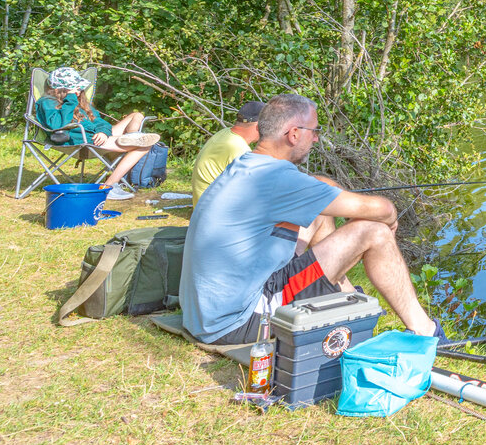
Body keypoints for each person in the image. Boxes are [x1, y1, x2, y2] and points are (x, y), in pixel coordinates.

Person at [179, 93, 444, 345]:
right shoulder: (279, 180)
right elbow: (382, 210)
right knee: (374, 232)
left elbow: (316, 186)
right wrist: (390, 215)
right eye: (314, 131)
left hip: (208, 312)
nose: (316, 139)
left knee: (319, 212)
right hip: (240, 320)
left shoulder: (247, 167)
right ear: (294, 134)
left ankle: (348, 299)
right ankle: (427, 332)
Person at [34, 66, 160, 201]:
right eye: (75, 89)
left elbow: (100, 122)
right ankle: (109, 186)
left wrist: (103, 132)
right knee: (143, 147)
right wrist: (70, 100)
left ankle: (132, 137)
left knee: (136, 115)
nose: (78, 92)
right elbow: (57, 124)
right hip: (81, 139)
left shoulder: (80, 103)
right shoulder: (47, 102)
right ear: (60, 90)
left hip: (96, 136)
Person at [190, 100, 265, 206]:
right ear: (258, 126)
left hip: (203, 206)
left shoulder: (225, 133)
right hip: (214, 213)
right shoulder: (238, 148)